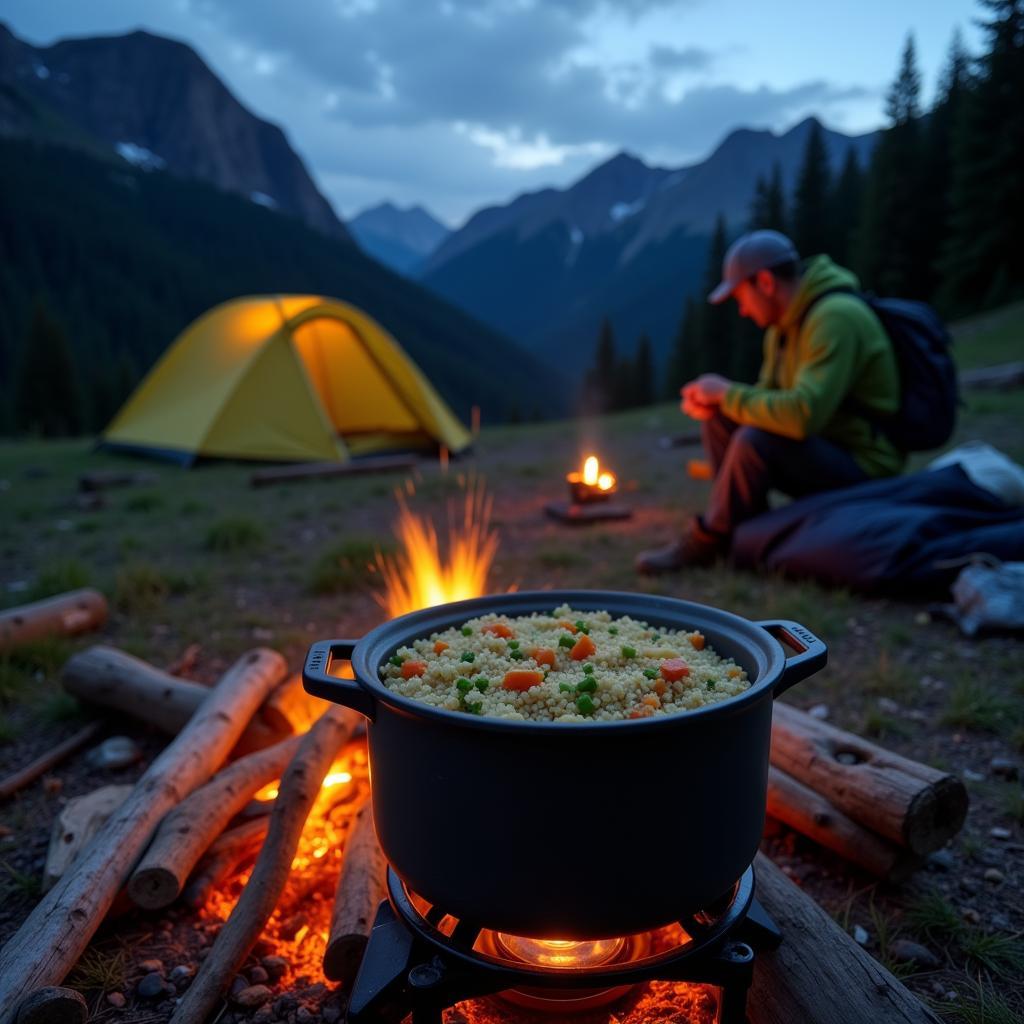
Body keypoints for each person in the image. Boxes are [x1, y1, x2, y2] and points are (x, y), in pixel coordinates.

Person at [636, 230, 904, 574]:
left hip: (867, 466)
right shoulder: (782, 329)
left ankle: (710, 540)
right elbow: (764, 402)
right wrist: (720, 403)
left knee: (755, 440)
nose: (743, 311)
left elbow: (802, 415)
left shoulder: (835, 317)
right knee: (722, 418)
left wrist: (727, 393)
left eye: (740, 297)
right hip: (827, 448)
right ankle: (745, 535)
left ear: (764, 282)